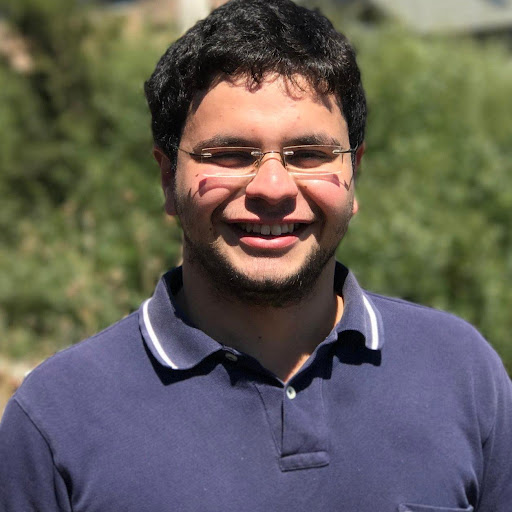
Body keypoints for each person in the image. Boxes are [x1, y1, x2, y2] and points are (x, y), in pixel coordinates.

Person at [1, 0, 511, 510]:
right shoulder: (57, 421)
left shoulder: (462, 375)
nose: (273, 187)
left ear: (354, 173)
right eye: (229, 155)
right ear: (167, 179)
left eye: (308, 155)